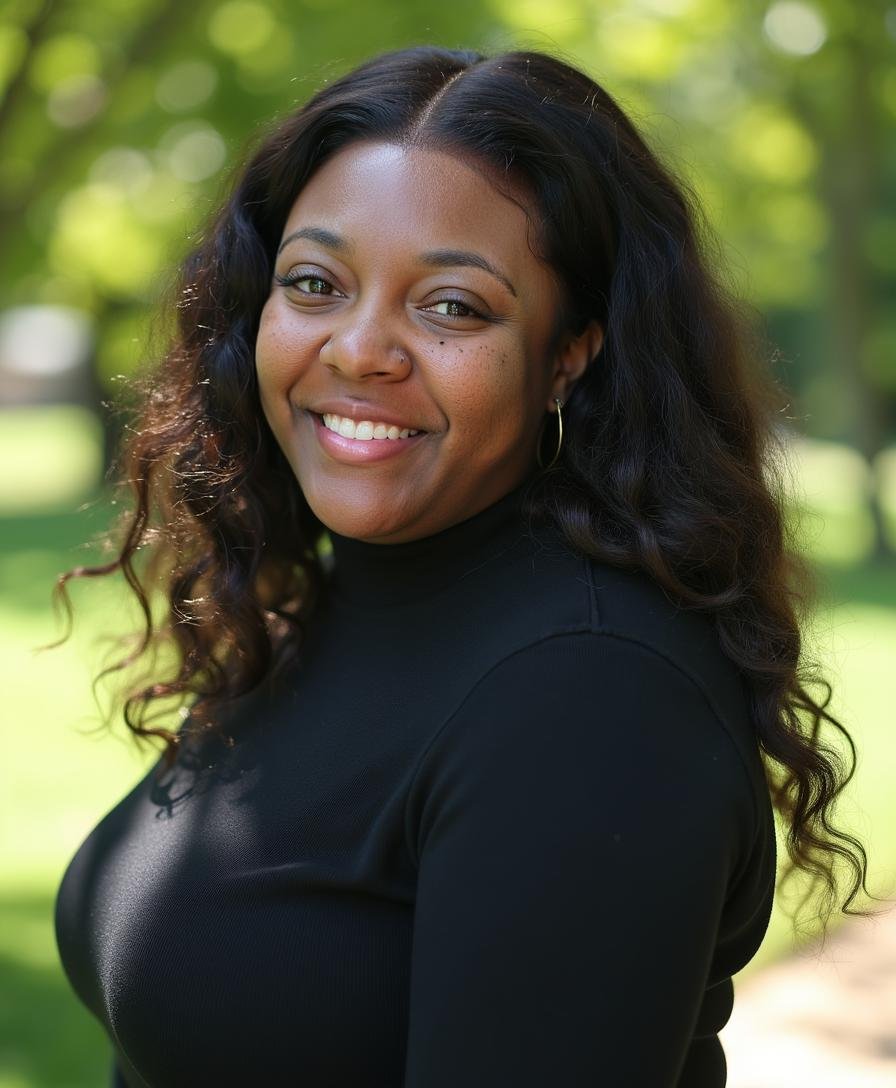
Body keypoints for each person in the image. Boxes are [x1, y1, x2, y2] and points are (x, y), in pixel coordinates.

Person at [53, 45, 876, 1088]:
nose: (359, 349)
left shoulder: (588, 698)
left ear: (568, 352)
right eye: (315, 283)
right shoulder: (338, 601)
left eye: (451, 306)